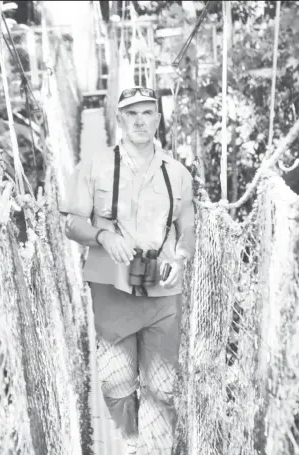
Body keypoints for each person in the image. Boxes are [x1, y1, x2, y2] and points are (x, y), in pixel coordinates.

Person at [64, 87, 195, 455]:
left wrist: (181, 258)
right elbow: (71, 224)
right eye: (131, 114)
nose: (140, 121)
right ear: (119, 119)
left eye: (147, 113)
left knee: (162, 387)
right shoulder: (94, 166)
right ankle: (132, 440)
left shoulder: (178, 172)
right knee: (116, 385)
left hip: (163, 291)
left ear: (157, 119)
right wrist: (103, 235)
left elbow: (188, 227)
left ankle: (151, 450)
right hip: (112, 290)